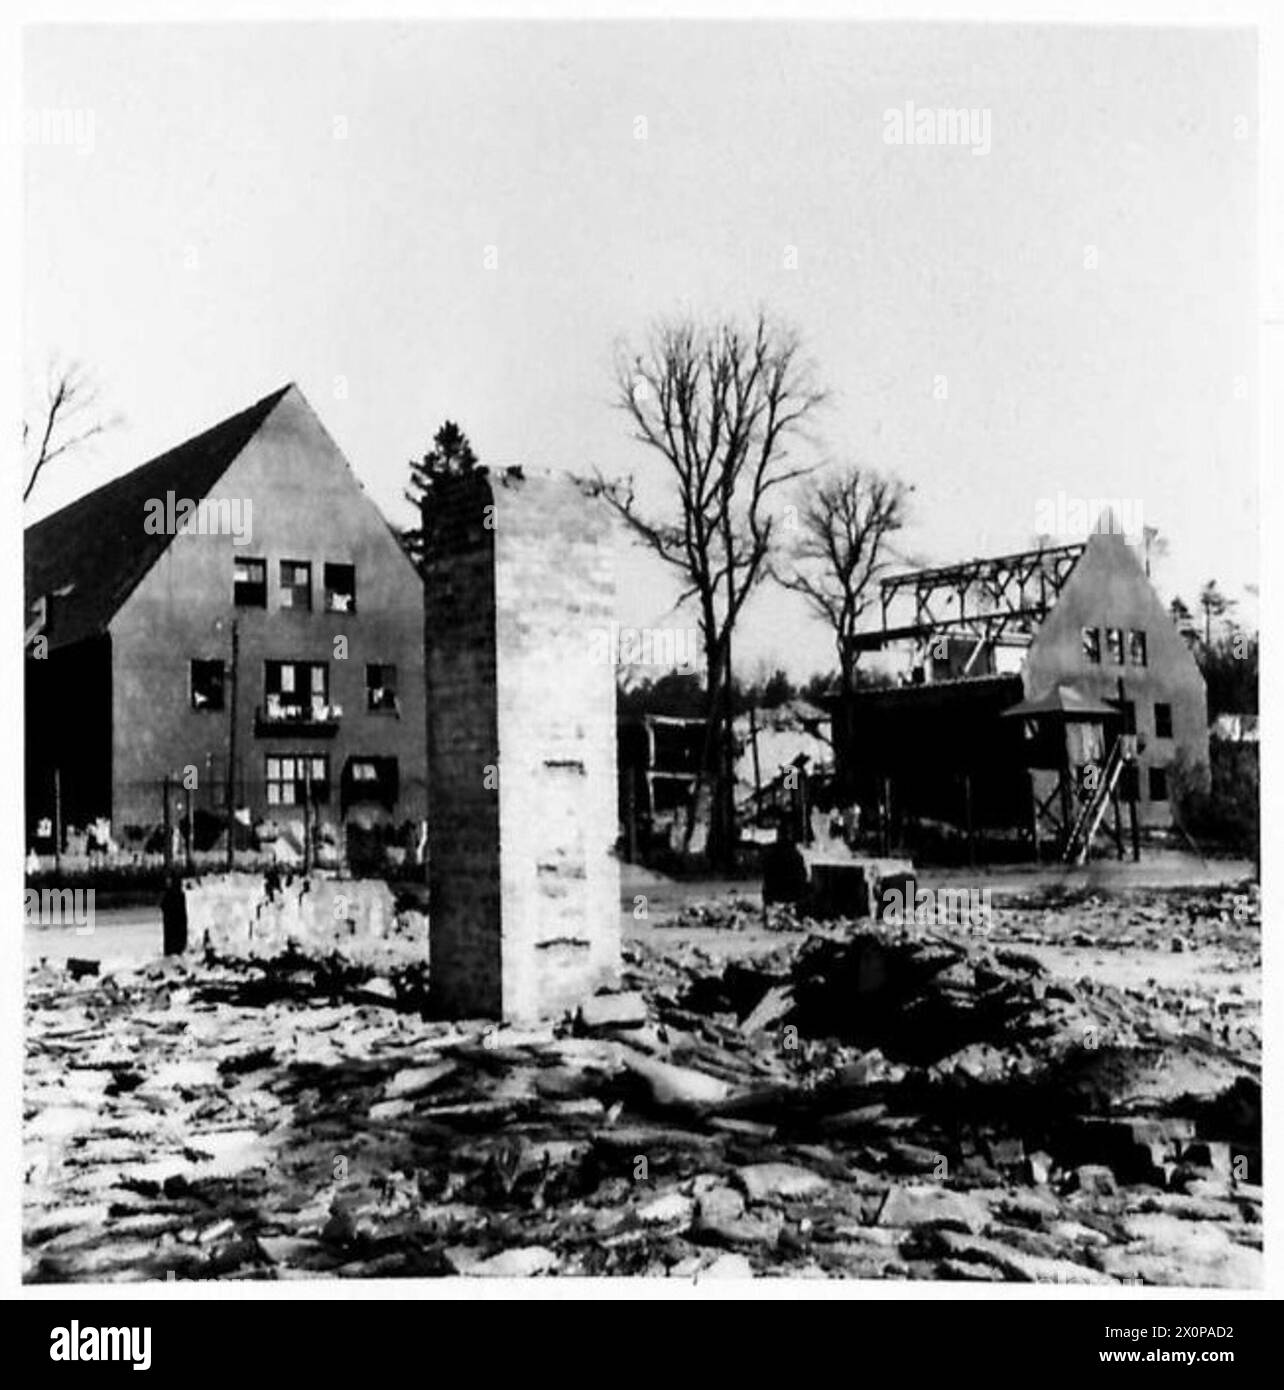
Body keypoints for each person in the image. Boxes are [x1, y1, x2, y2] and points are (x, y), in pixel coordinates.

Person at [762, 821, 809, 907]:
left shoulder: (771, 853)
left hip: (775, 894)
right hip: (793, 895)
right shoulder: (795, 854)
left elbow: (766, 875)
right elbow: (804, 875)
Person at [161, 873, 188, 955]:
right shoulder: (171, 894)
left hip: (175, 924)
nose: (167, 883)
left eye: (169, 881)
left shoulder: (177, 895)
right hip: (171, 924)